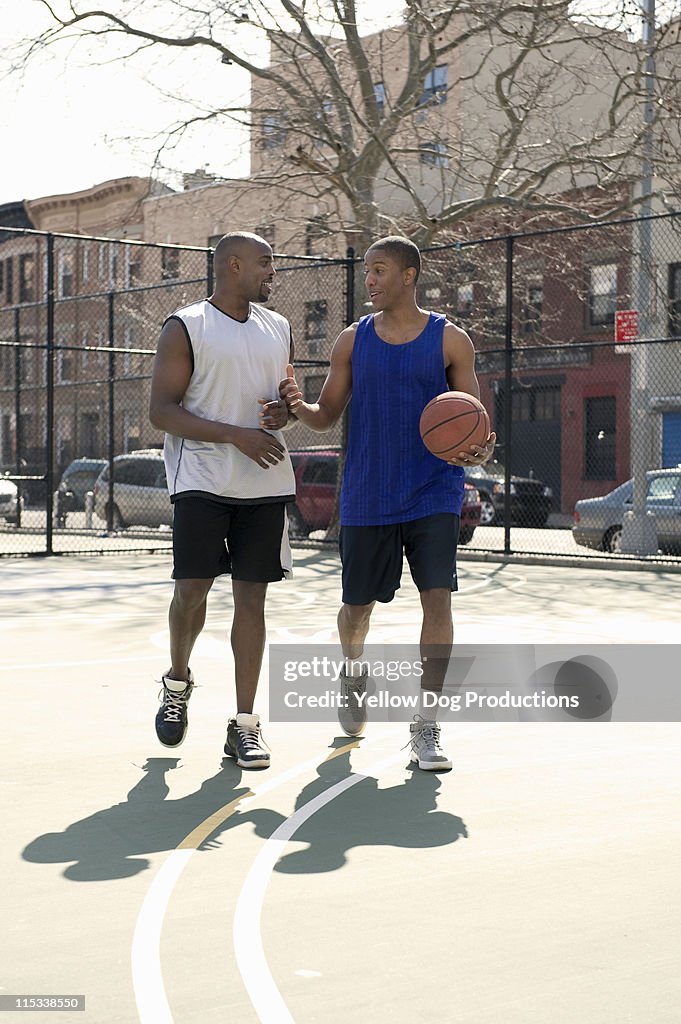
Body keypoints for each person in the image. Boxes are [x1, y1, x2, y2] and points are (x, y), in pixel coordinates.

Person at [279, 235, 495, 770]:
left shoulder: (451, 341)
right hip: (369, 492)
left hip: (434, 489)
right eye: (367, 272)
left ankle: (427, 724)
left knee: (438, 601)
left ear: (409, 275)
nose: (369, 280)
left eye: (379, 271)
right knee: (356, 612)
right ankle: (353, 669)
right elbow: (325, 414)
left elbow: (472, 417)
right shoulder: (353, 341)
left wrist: (480, 444)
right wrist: (295, 406)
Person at [149, 231, 295, 770]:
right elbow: (162, 412)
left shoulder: (278, 326)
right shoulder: (186, 326)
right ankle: (178, 680)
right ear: (233, 265)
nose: (271, 271)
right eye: (264, 262)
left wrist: (287, 412)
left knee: (251, 603)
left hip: (264, 482)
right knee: (191, 593)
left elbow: (286, 396)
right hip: (204, 479)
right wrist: (236, 434)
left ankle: (245, 725)